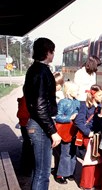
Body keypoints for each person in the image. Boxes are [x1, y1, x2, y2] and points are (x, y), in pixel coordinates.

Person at [23, 37, 61, 189]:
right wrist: (52, 131)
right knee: (43, 172)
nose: (53, 55)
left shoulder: (33, 70)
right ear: (47, 52)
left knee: (39, 171)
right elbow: (40, 106)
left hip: (36, 124)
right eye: (52, 52)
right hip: (40, 126)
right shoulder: (41, 72)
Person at [75, 84, 102, 189]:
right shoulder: (84, 106)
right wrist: (88, 132)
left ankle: (97, 182)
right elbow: (79, 122)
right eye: (100, 95)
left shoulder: (100, 106)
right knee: (90, 161)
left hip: (98, 135)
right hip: (90, 136)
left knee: (98, 160)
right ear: (93, 95)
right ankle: (86, 183)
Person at [54, 81, 80, 184]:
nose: (78, 92)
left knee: (73, 153)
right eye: (76, 90)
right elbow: (58, 116)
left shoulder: (77, 102)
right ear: (69, 91)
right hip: (66, 131)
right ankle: (61, 174)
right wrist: (69, 117)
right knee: (65, 153)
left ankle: (70, 172)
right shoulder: (63, 102)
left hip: (75, 130)